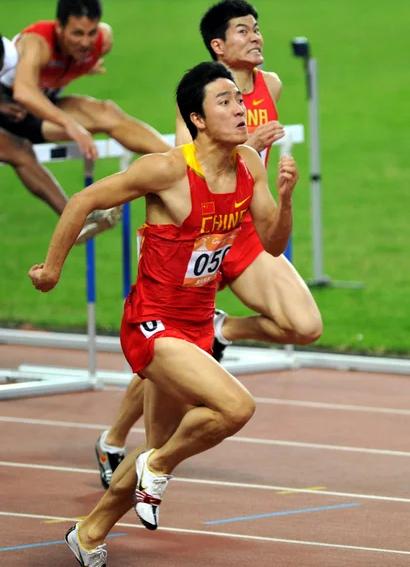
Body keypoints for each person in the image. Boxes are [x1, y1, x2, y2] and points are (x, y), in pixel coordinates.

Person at [29, 61, 299, 565]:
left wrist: (284, 200)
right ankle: (160, 464)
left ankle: (88, 532)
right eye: (224, 101)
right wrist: (52, 269)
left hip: (197, 324)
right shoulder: (167, 168)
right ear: (196, 118)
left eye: (239, 100)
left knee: (154, 445)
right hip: (152, 324)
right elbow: (84, 200)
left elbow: (272, 241)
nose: (240, 108)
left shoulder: (250, 165)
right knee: (236, 408)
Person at [93, 0, 323, 490]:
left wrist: (264, 172)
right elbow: (193, 163)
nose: (257, 37)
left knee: (305, 325)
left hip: (247, 226)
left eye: (258, 28)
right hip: (201, 233)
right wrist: (252, 145)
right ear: (219, 46)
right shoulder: (198, 96)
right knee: (168, 350)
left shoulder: (271, 84)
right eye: (244, 31)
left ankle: (225, 331)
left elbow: (247, 172)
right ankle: (116, 440)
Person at [1, 0, 171, 241]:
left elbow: (74, 61)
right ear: (59, 26)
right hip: (13, 103)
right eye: (77, 33)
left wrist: (86, 65)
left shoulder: (103, 42)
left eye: (91, 33)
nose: (85, 41)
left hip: (41, 107)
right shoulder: (37, 42)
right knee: (19, 151)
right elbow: (24, 92)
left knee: (107, 113)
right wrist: (72, 126)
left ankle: (181, 165)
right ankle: (75, 220)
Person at [0, 33, 118, 242]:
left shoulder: (8, 53)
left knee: (20, 151)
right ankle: (74, 222)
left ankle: (74, 223)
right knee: (15, 150)